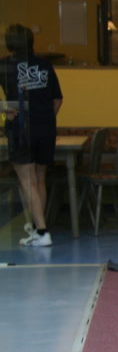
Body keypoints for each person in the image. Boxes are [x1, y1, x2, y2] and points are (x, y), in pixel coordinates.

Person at [0, 24, 63, 247]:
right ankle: (38, 226)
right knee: (39, 179)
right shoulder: (45, 64)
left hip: (21, 128)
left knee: (27, 181)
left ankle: (43, 232)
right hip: (45, 128)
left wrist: (5, 109)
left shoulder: (5, 66)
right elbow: (57, 98)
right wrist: (46, 119)